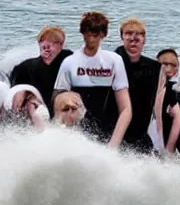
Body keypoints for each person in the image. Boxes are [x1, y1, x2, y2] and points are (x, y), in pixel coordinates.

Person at [53, 11, 131, 148]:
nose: (91, 40)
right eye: (87, 35)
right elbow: (58, 102)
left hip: (107, 130)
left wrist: (113, 145)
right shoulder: (69, 62)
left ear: (103, 35)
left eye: (95, 35)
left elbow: (126, 108)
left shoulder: (114, 61)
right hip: (76, 132)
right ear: (82, 33)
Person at [114, 18, 163, 153]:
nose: (133, 38)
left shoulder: (154, 67)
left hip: (141, 129)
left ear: (144, 39)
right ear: (122, 37)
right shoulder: (114, 61)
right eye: (128, 33)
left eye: (138, 34)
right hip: (117, 126)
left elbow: (155, 101)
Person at [10, 26, 73, 109]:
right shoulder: (25, 67)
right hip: (39, 106)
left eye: (52, 42)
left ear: (61, 45)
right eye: (42, 41)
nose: (46, 45)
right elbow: (14, 84)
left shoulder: (69, 59)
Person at [153, 48, 180, 154]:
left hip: (164, 134)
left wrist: (169, 147)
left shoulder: (171, 89)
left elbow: (178, 117)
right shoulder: (151, 83)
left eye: (173, 65)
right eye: (165, 64)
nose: (168, 68)